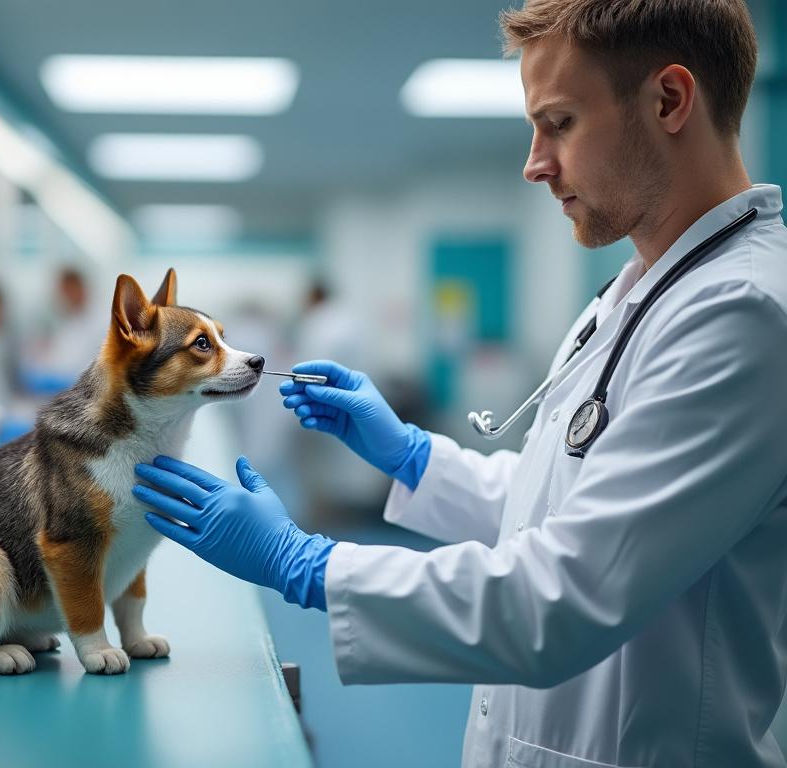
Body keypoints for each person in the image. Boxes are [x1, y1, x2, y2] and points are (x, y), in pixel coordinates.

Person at [131, 1, 787, 766]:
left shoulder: (742, 315)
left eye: (560, 123)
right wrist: (414, 458)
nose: (535, 163)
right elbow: (565, 508)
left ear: (669, 100)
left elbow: (562, 596)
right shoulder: (636, 294)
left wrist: (305, 564)